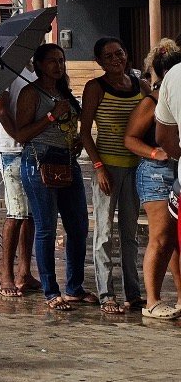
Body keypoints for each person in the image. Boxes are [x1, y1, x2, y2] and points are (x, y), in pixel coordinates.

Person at [16, 42, 92, 310]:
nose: (58, 66)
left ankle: (75, 287)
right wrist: (50, 116)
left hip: (68, 160)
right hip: (39, 162)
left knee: (79, 227)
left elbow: (74, 126)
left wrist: (78, 142)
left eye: (61, 60)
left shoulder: (65, 93)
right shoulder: (30, 93)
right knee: (46, 228)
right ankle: (50, 290)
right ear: (38, 64)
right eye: (52, 61)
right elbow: (20, 135)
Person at [79, 36, 146, 314]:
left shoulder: (139, 86)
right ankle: (106, 293)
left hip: (136, 167)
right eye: (108, 56)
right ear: (99, 62)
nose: (116, 59)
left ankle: (133, 293)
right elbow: (84, 132)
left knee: (130, 234)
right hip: (106, 168)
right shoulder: (95, 88)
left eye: (119, 53)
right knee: (104, 233)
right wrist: (98, 167)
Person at [123, 39, 181, 319]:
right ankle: (152, 300)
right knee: (160, 238)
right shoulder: (152, 101)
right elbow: (130, 138)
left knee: (174, 240)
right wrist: (155, 152)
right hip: (156, 173)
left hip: (174, 169)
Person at [0, 68, 37, 298]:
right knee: (16, 212)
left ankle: (24, 271)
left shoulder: (30, 70)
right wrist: (20, 135)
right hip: (12, 149)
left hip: (31, 147)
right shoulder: (5, 71)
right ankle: (6, 274)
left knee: (29, 214)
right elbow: (1, 111)